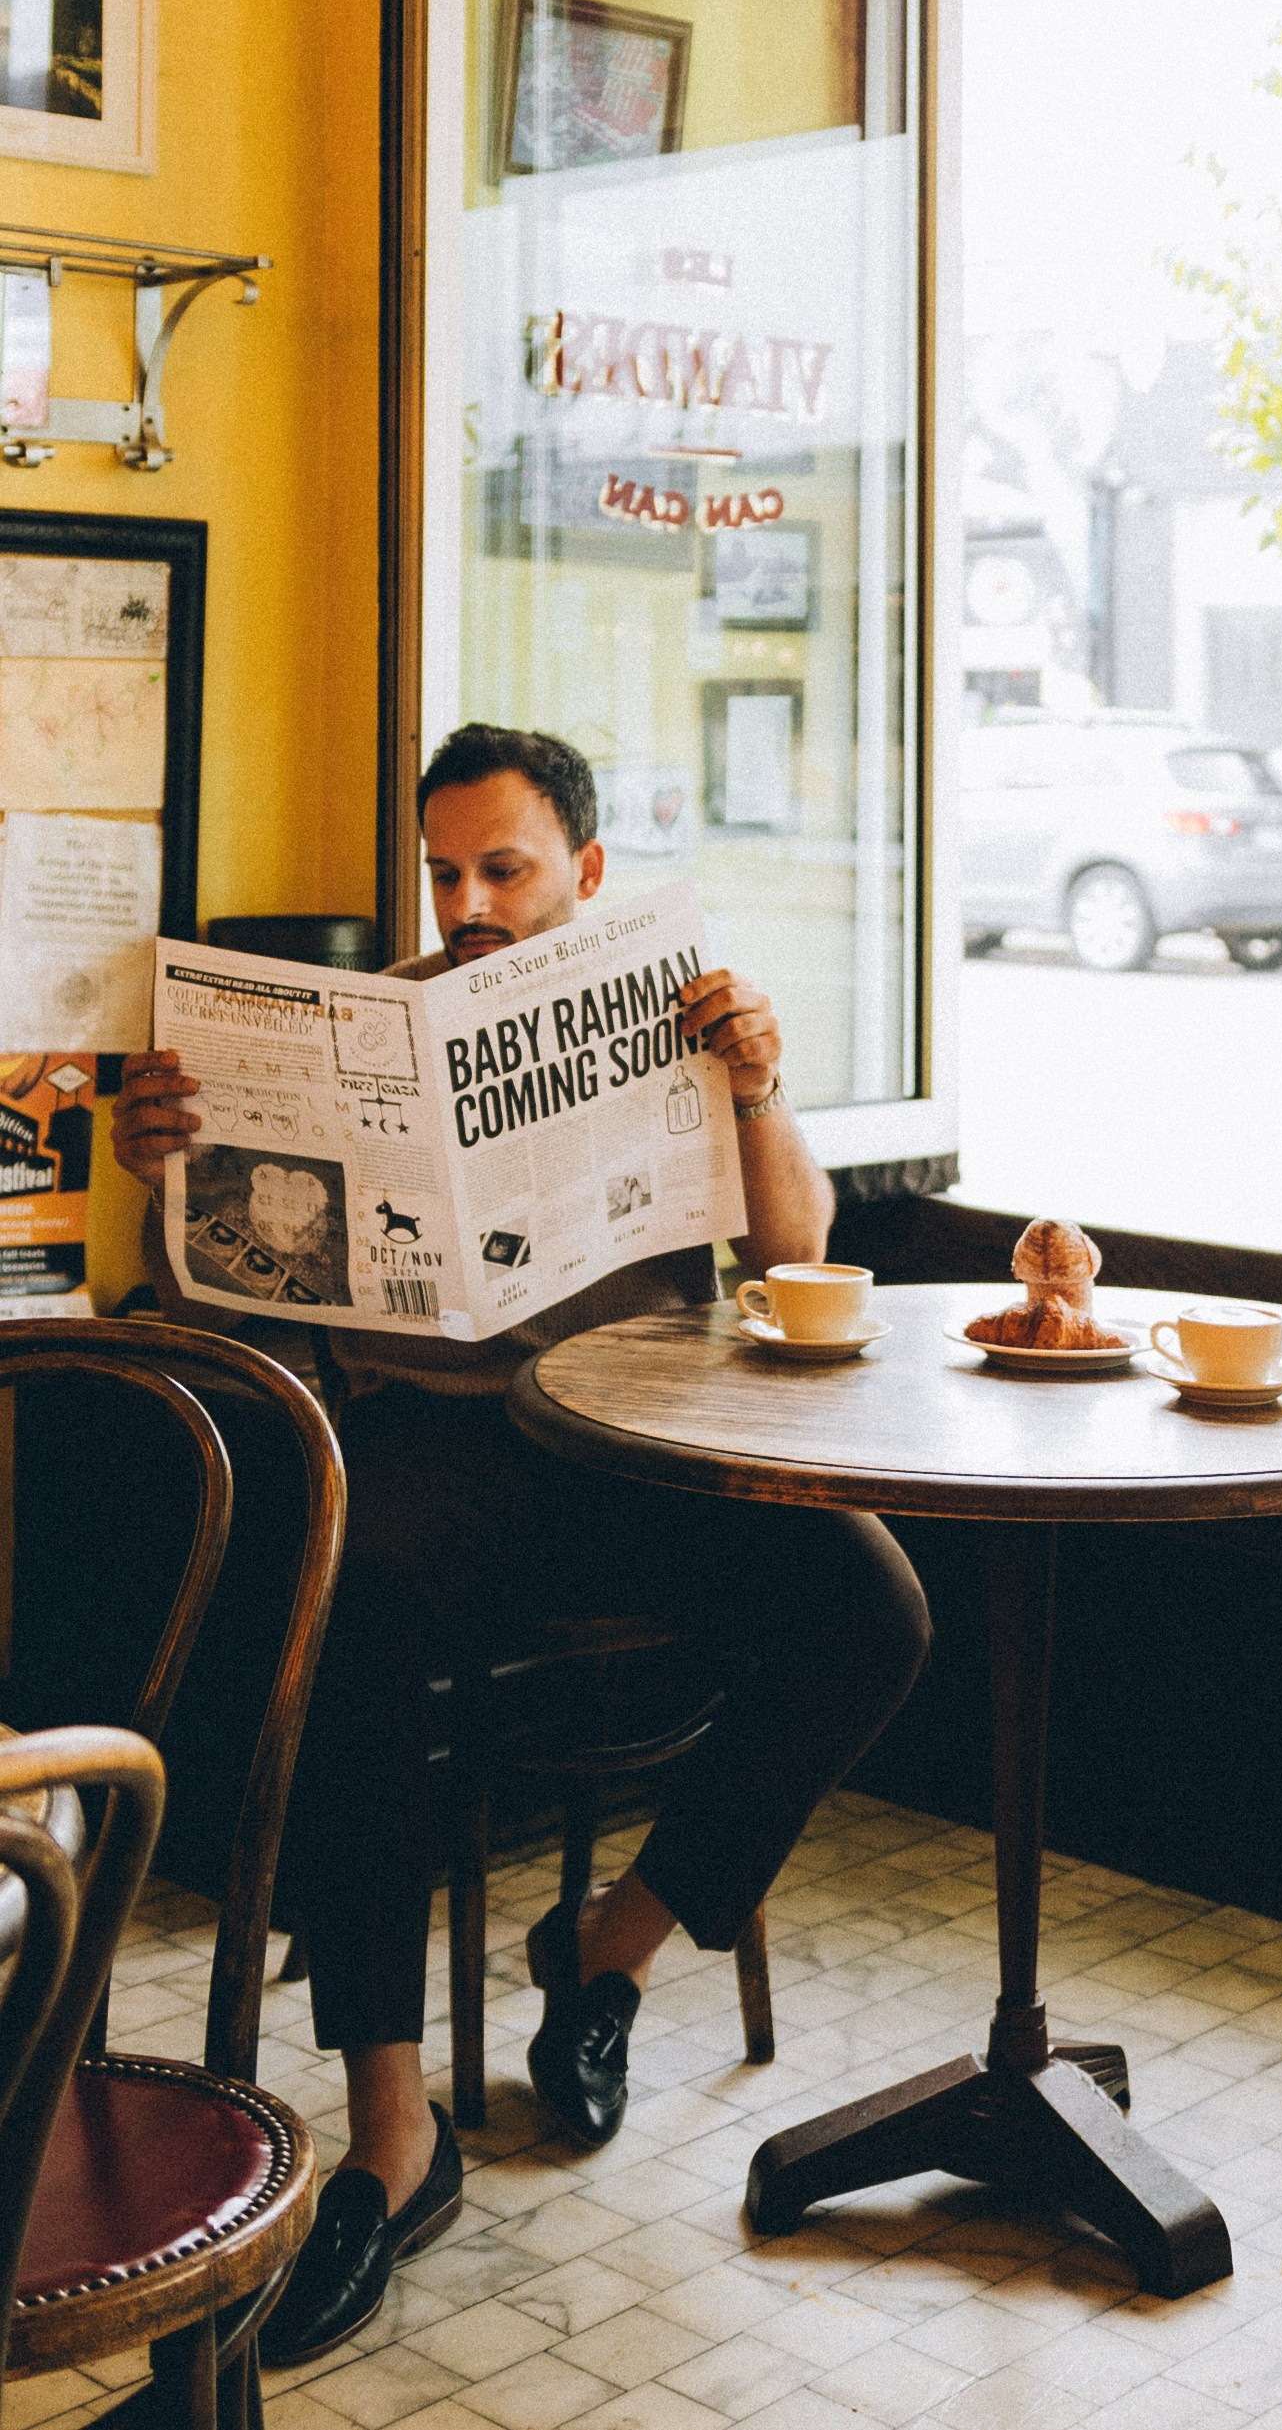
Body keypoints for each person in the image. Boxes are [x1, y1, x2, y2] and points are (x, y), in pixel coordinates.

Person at [114, 724, 932, 2361]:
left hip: (639, 1431)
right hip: (435, 1444)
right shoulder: (374, 1024)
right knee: (344, 1603)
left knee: (874, 1606)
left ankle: (606, 1947)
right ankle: (393, 2129)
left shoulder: (686, 1016)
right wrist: (163, 1172)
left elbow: (794, 1251)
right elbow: (200, 1289)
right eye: (445, 872)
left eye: (504, 868)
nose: (470, 902)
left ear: (587, 871)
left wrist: (757, 1089)